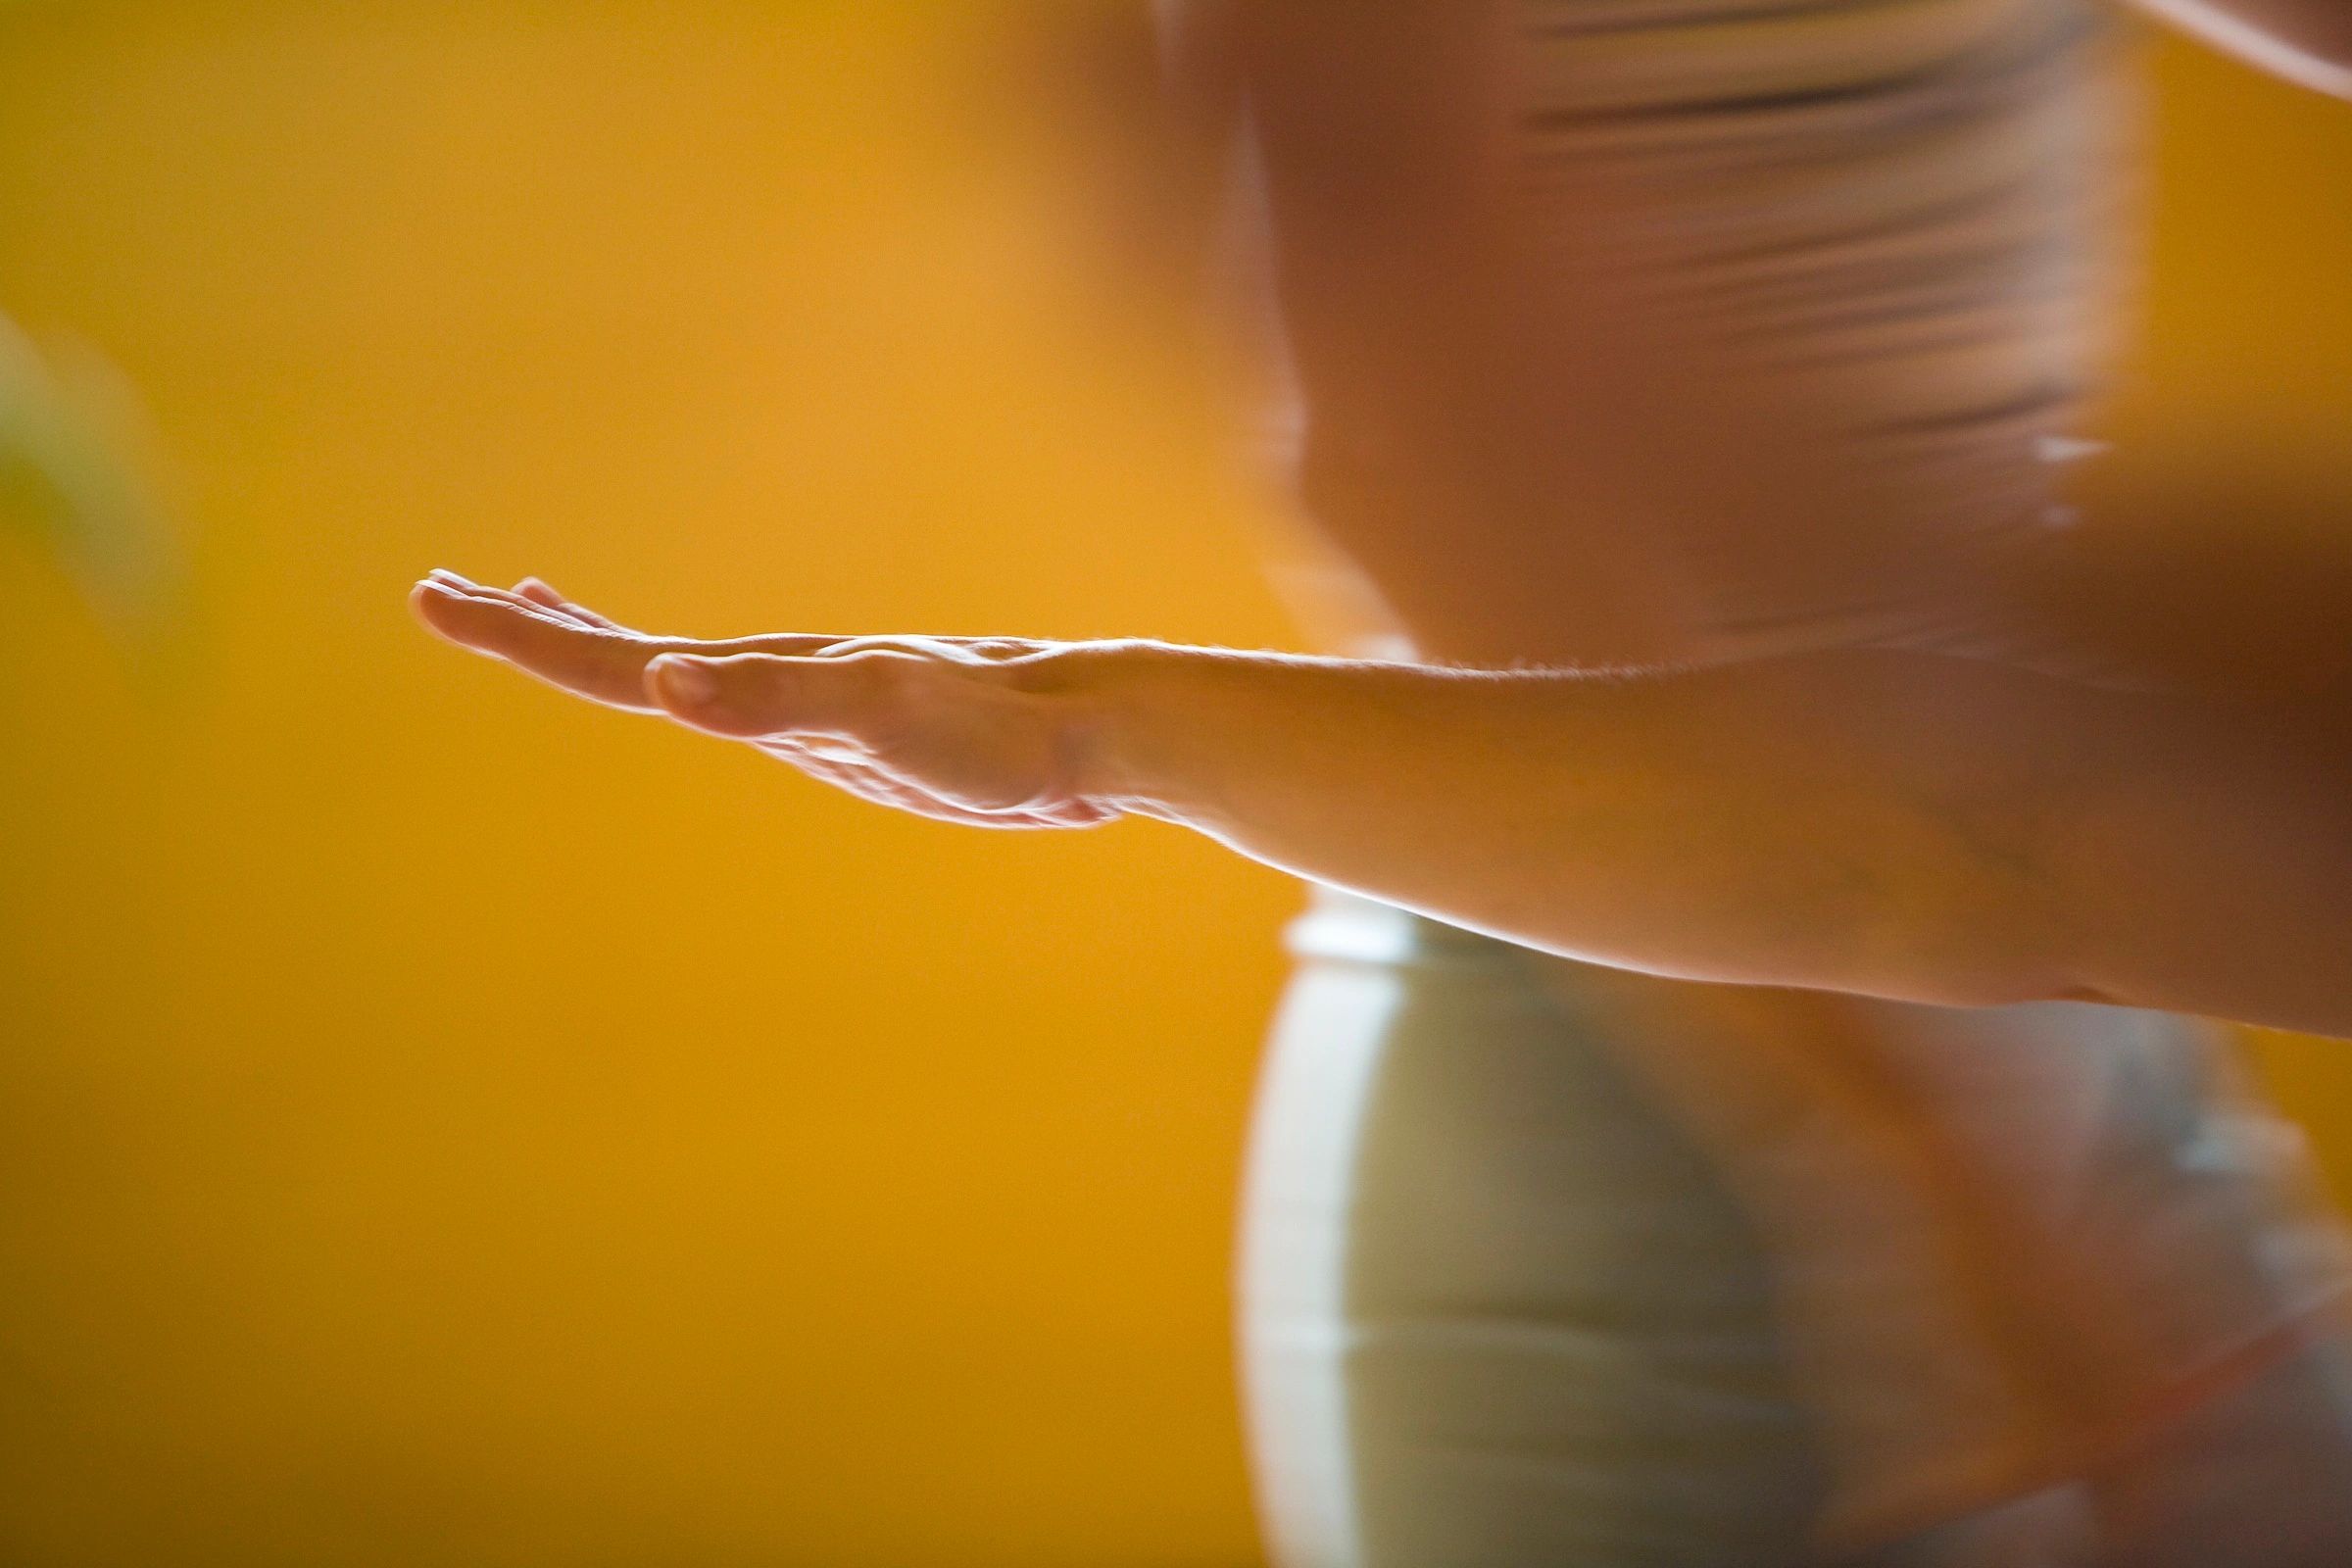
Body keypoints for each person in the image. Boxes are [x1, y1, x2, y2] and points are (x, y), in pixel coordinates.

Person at [414, 1, 2352, 1561]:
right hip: (1695, 980)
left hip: (1990, 953)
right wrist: (1085, 720)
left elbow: (1990, 845)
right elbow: (1971, 848)